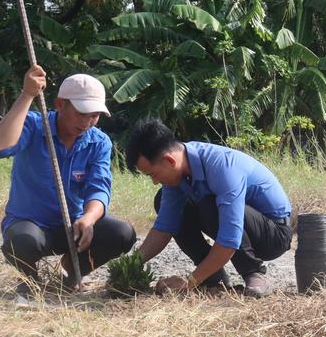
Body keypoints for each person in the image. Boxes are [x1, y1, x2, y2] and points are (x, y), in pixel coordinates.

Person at [0, 65, 136, 298]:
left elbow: (99, 188)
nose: (88, 122)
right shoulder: (34, 125)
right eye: (82, 113)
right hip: (31, 225)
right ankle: (30, 280)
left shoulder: (99, 142)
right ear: (60, 104)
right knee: (23, 240)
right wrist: (27, 94)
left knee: (123, 233)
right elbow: (1, 146)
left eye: (95, 115)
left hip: (73, 228)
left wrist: (88, 219)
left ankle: (71, 274)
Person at [125, 120, 293, 298]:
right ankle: (213, 276)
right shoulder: (177, 173)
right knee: (163, 200)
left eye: (153, 174)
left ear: (169, 160)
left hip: (273, 235)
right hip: (236, 226)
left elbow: (229, 239)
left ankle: (254, 273)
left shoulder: (222, 167)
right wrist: (130, 266)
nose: (155, 181)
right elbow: (164, 227)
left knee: (210, 205)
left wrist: (188, 283)